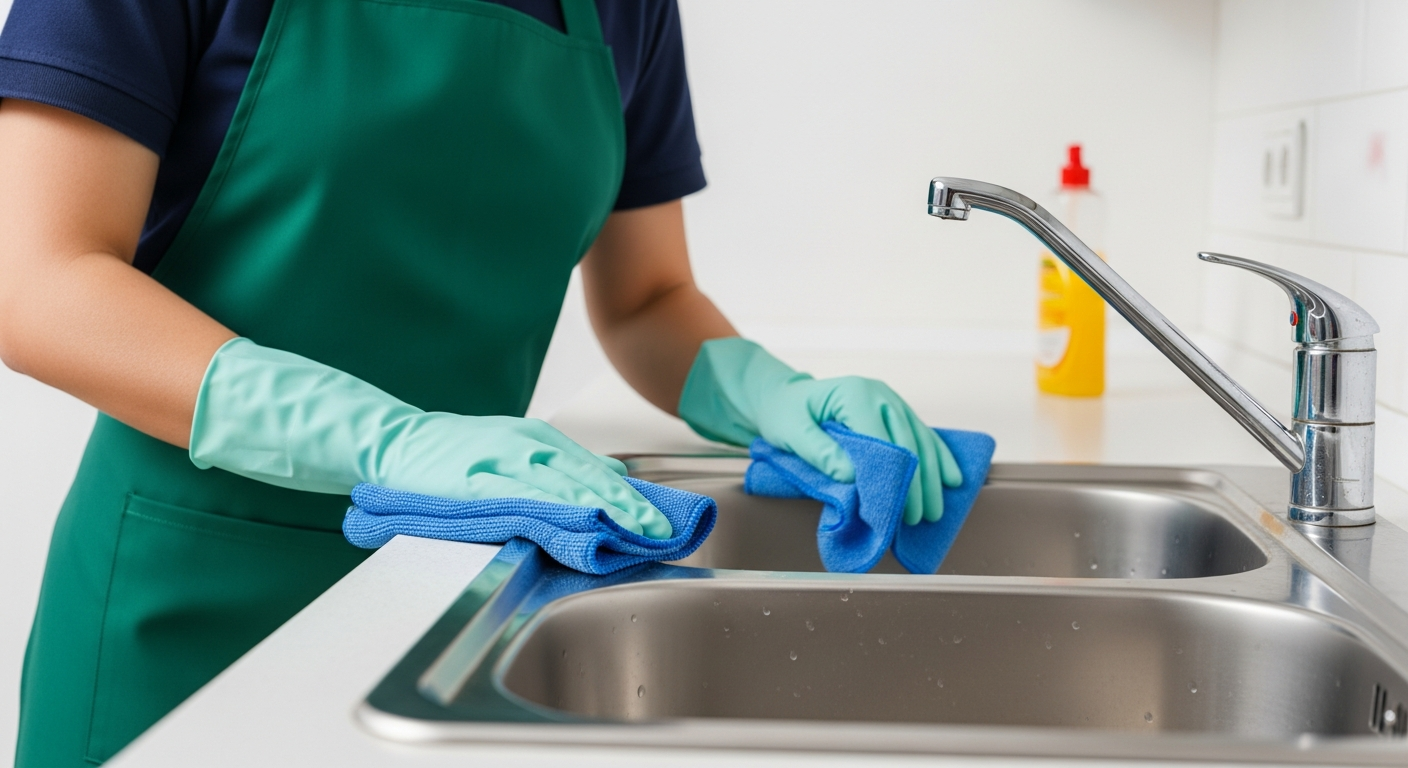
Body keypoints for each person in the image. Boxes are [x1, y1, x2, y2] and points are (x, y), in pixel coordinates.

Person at [0, 0, 961, 764]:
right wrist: (391, 441)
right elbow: (36, 283)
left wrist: (772, 395)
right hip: (185, 614)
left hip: (449, 601)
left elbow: (647, 295)